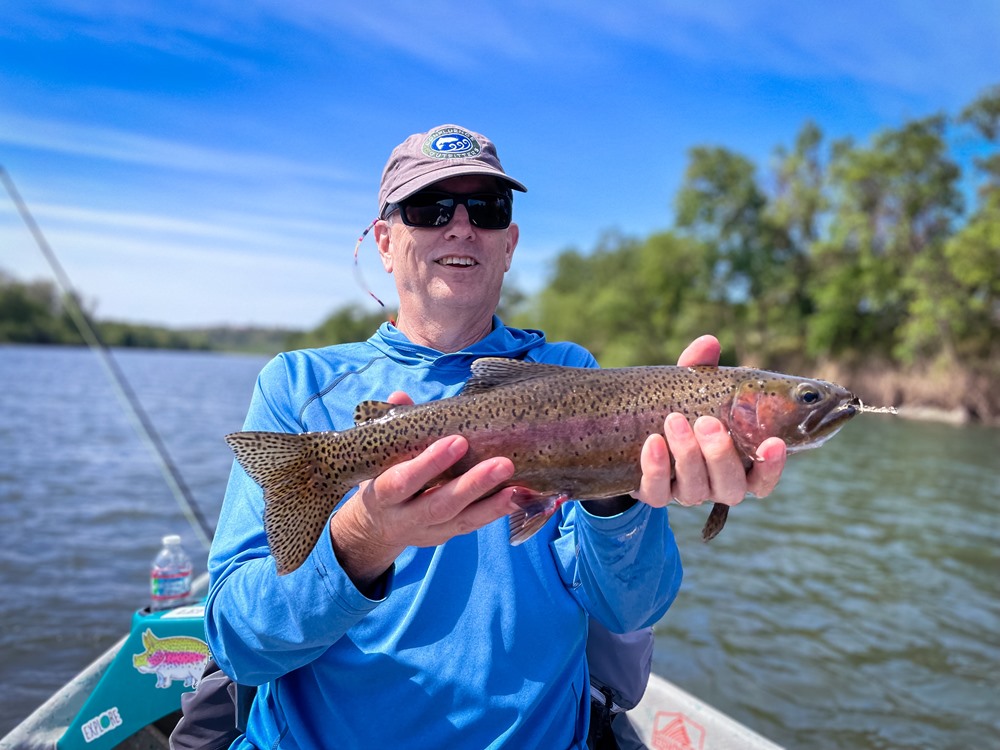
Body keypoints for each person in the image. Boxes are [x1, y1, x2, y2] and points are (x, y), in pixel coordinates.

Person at [204, 124, 787, 749]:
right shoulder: (298, 385)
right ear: (384, 241)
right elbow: (239, 647)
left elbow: (630, 610)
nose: (461, 227)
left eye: (487, 208)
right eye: (429, 209)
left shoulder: (572, 373)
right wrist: (365, 538)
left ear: (509, 244)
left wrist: (616, 490)